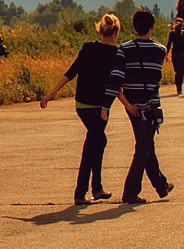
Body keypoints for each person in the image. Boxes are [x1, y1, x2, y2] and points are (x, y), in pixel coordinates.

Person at [39, 14, 122, 205]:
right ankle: (80, 193)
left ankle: (97, 188)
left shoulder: (88, 48)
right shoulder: (115, 54)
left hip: (82, 106)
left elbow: (71, 72)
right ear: (116, 32)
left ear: (100, 31)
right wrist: (127, 104)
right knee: (92, 145)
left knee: (100, 141)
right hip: (99, 108)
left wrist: (50, 94)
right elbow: (116, 84)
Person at [104, 8, 174, 205]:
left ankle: (161, 185)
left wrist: (111, 105)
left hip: (132, 106)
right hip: (150, 106)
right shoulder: (160, 50)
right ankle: (130, 192)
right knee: (143, 147)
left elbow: (116, 79)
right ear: (152, 28)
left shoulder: (124, 49)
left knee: (146, 145)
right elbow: (155, 78)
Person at [166, 17, 184, 95]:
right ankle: (179, 88)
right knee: (181, 71)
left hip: (175, 55)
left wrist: (166, 54)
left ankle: (178, 86)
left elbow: (169, 44)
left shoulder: (172, 34)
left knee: (177, 71)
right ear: (183, 24)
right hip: (183, 54)